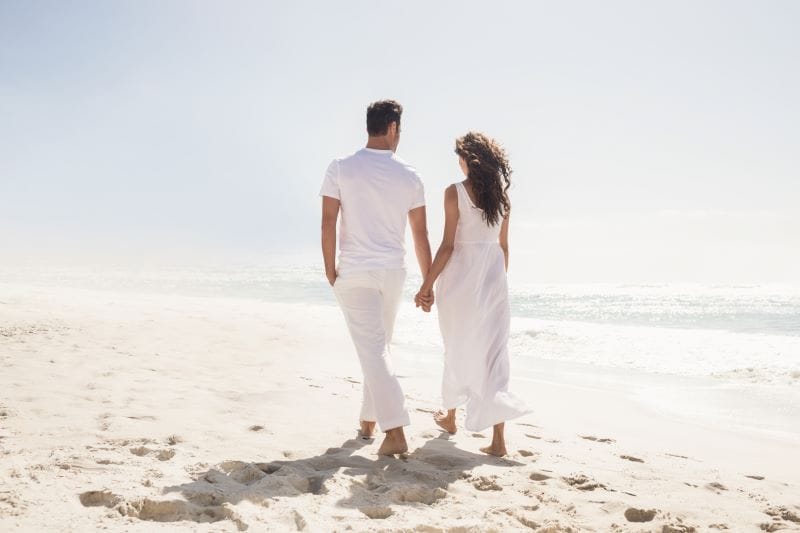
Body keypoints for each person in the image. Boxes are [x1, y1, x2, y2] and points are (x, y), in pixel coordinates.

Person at [320, 99, 432, 456]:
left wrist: (329, 270)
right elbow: (420, 235)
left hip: (354, 271)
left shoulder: (340, 167)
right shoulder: (410, 175)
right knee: (377, 348)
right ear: (393, 128)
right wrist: (428, 283)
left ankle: (395, 430)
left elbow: (328, 221)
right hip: (392, 272)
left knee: (373, 349)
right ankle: (369, 421)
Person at [415, 131, 531, 457]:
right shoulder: (503, 200)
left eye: (460, 158)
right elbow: (503, 249)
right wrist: (492, 285)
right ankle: (498, 441)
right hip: (493, 287)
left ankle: (450, 417)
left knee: (456, 347)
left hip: (459, 286)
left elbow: (448, 246)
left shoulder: (454, 193)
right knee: (494, 357)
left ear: (469, 160)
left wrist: (426, 286)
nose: (459, 164)